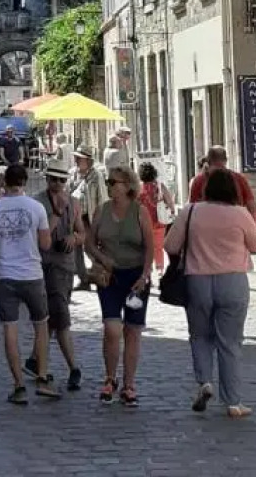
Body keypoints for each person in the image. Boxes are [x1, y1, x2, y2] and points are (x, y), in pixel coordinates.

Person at [165, 168, 256, 419]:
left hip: (197, 280)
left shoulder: (190, 212)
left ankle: (205, 383)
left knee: (199, 336)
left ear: (206, 189)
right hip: (232, 281)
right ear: (233, 190)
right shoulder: (240, 214)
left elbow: (170, 245)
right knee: (230, 342)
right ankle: (233, 402)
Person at [0, 164, 61, 404]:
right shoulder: (36, 208)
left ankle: (18, 385)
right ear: (25, 182)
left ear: (5, 182)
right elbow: (46, 244)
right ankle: (42, 378)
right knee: (41, 326)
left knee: (10, 330)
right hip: (32, 274)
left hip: (5, 275)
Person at [86, 164, 154, 407]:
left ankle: (129, 385)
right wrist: (101, 258)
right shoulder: (102, 211)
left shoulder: (140, 212)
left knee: (133, 331)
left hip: (135, 277)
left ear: (128, 186)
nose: (109, 187)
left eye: (114, 182)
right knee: (112, 329)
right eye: (108, 183)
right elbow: (89, 242)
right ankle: (109, 378)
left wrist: (145, 275)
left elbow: (150, 247)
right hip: (109, 277)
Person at [25, 158, 85, 390]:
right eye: (52, 179)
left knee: (52, 317)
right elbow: (40, 239)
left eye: (61, 179)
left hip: (66, 266)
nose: (56, 183)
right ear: (47, 179)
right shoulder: (37, 203)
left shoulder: (75, 202)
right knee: (61, 321)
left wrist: (74, 238)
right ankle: (73, 368)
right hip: (46, 266)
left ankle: (33, 359)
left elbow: (82, 234)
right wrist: (57, 214)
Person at [70, 144, 108, 290]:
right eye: (76, 158)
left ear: (88, 161)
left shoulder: (96, 175)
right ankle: (84, 279)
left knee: (90, 248)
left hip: (89, 217)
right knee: (76, 249)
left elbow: (102, 198)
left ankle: (101, 274)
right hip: (75, 216)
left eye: (80, 158)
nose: (77, 160)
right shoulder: (73, 173)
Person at [188, 146, 256, 217]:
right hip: (234, 222)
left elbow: (190, 208)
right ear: (226, 160)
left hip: (206, 222)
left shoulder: (198, 180)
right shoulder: (239, 178)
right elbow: (251, 206)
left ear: (208, 160)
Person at [138, 162, 176, 273]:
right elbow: (169, 200)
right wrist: (172, 211)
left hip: (144, 223)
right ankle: (160, 269)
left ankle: (148, 269)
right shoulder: (159, 186)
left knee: (146, 247)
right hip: (159, 222)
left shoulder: (139, 188)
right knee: (158, 247)